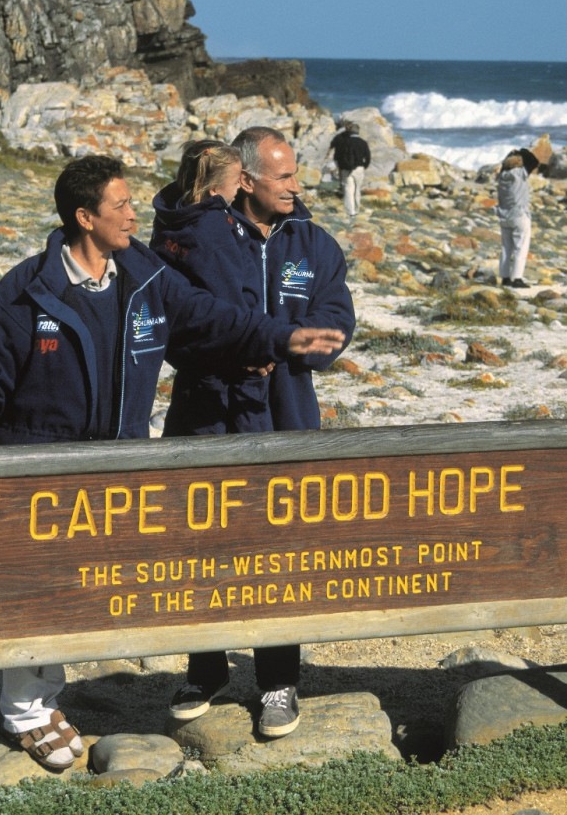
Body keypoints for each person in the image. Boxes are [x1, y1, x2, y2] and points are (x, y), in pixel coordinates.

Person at [0, 154, 346, 772]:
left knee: (76, 589)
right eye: (120, 206)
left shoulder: (145, 275)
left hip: (117, 458)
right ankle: (26, 712)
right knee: (40, 586)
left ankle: (46, 700)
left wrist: (278, 338)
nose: (134, 214)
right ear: (84, 217)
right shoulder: (29, 288)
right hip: (43, 459)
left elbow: (209, 318)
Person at [163, 127, 356, 739]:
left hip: (287, 413)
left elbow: (336, 319)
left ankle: (278, 680)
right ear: (245, 180)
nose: (297, 188)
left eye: (296, 175)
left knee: (283, 550)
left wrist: (303, 351)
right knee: (203, 545)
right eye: (284, 178)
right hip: (205, 414)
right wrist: (246, 345)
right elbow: (178, 327)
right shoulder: (201, 239)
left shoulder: (316, 245)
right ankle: (205, 668)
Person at [150, 139, 272, 433]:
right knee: (234, 443)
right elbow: (227, 295)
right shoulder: (212, 230)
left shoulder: (172, 218)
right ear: (214, 190)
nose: (241, 186)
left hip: (193, 350)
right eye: (236, 180)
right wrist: (252, 345)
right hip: (226, 358)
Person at [497, 147, 539, 288]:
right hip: (519, 215)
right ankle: (517, 278)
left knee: (506, 247)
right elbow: (534, 161)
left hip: (504, 215)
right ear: (519, 164)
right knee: (521, 248)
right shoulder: (521, 173)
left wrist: (511, 154)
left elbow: (504, 165)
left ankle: (505, 277)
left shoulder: (501, 176)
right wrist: (522, 150)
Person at [327, 120, 371, 217]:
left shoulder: (345, 142)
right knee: (357, 189)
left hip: (346, 169)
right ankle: (357, 207)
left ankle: (351, 212)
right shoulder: (363, 143)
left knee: (348, 189)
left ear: (350, 131)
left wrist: (340, 167)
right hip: (359, 168)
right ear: (358, 132)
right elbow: (368, 157)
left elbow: (339, 156)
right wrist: (364, 166)